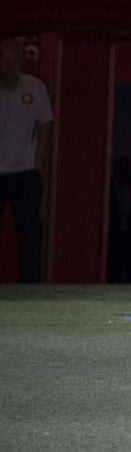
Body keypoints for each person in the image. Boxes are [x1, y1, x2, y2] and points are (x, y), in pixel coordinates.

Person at [0, 38, 50, 283]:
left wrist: (38, 165)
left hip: (26, 173)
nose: (11, 68)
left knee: (29, 235)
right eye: (5, 63)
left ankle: (30, 289)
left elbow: (45, 127)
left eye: (15, 62)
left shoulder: (35, 87)